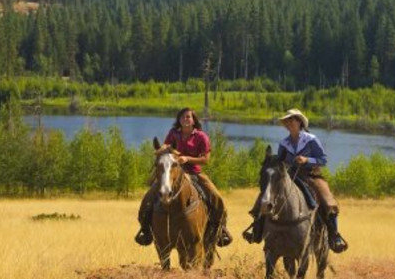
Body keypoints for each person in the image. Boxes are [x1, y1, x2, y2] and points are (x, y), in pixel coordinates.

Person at [243, 108, 348, 253]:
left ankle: (334, 236)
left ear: (299, 122)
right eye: (287, 121)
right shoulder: (284, 143)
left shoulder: (311, 140)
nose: (288, 123)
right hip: (289, 176)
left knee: (328, 201)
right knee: (265, 196)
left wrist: (307, 159)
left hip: (311, 175)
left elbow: (323, 160)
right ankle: (257, 228)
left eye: (291, 120)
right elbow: (280, 162)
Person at [135, 107, 233, 248]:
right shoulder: (173, 133)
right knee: (148, 198)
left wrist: (187, 159)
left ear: (194, 120)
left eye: (188, 117)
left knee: (216, 197)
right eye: (183, 117)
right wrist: (161, 150)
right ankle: (145, 229)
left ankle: (221, 229)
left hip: (194, 173)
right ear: (179, 120)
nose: (185, 119)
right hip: (172, 174)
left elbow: (205, 159)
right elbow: (166, 146)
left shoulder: (201, 136)